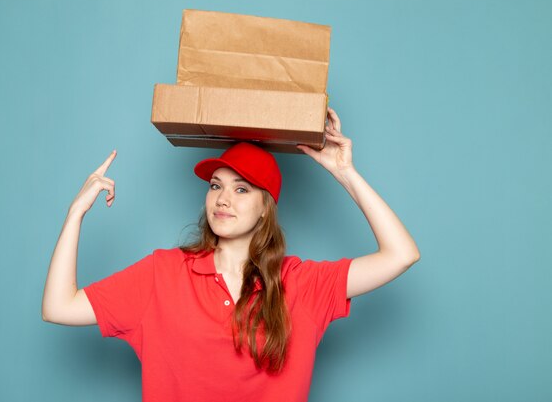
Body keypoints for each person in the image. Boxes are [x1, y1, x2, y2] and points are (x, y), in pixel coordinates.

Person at [42, 107, 421, 402]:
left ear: (265, 207)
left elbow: (401, 254)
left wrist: (345, 172)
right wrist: (74, 215)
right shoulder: (162, 273)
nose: (223, 198)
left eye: (242, 190)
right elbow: (59, 307)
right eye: (216, 185)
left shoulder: (302, 284)